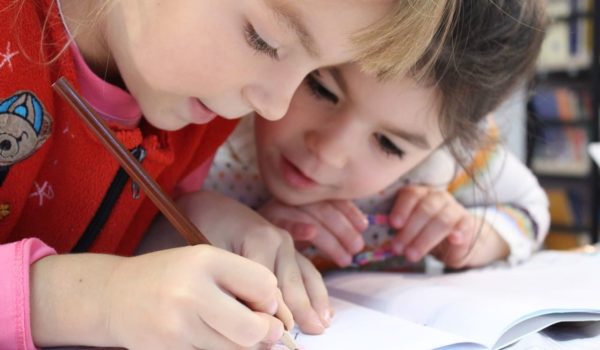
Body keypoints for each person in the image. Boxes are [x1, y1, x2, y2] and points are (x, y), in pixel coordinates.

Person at [0, 0, 457, 349]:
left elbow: (103, 236)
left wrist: (192, 221)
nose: (274, 105)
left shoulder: (200, 110)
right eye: (264, 40)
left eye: (314, 71)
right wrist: (99, 299)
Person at [199, 0, 549, 270]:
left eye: (388, 144)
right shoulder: (210, 117)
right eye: (321, 89)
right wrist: (226, 227)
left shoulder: (442, 165)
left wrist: (476, 235)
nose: (329, 152)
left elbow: (531, 208)